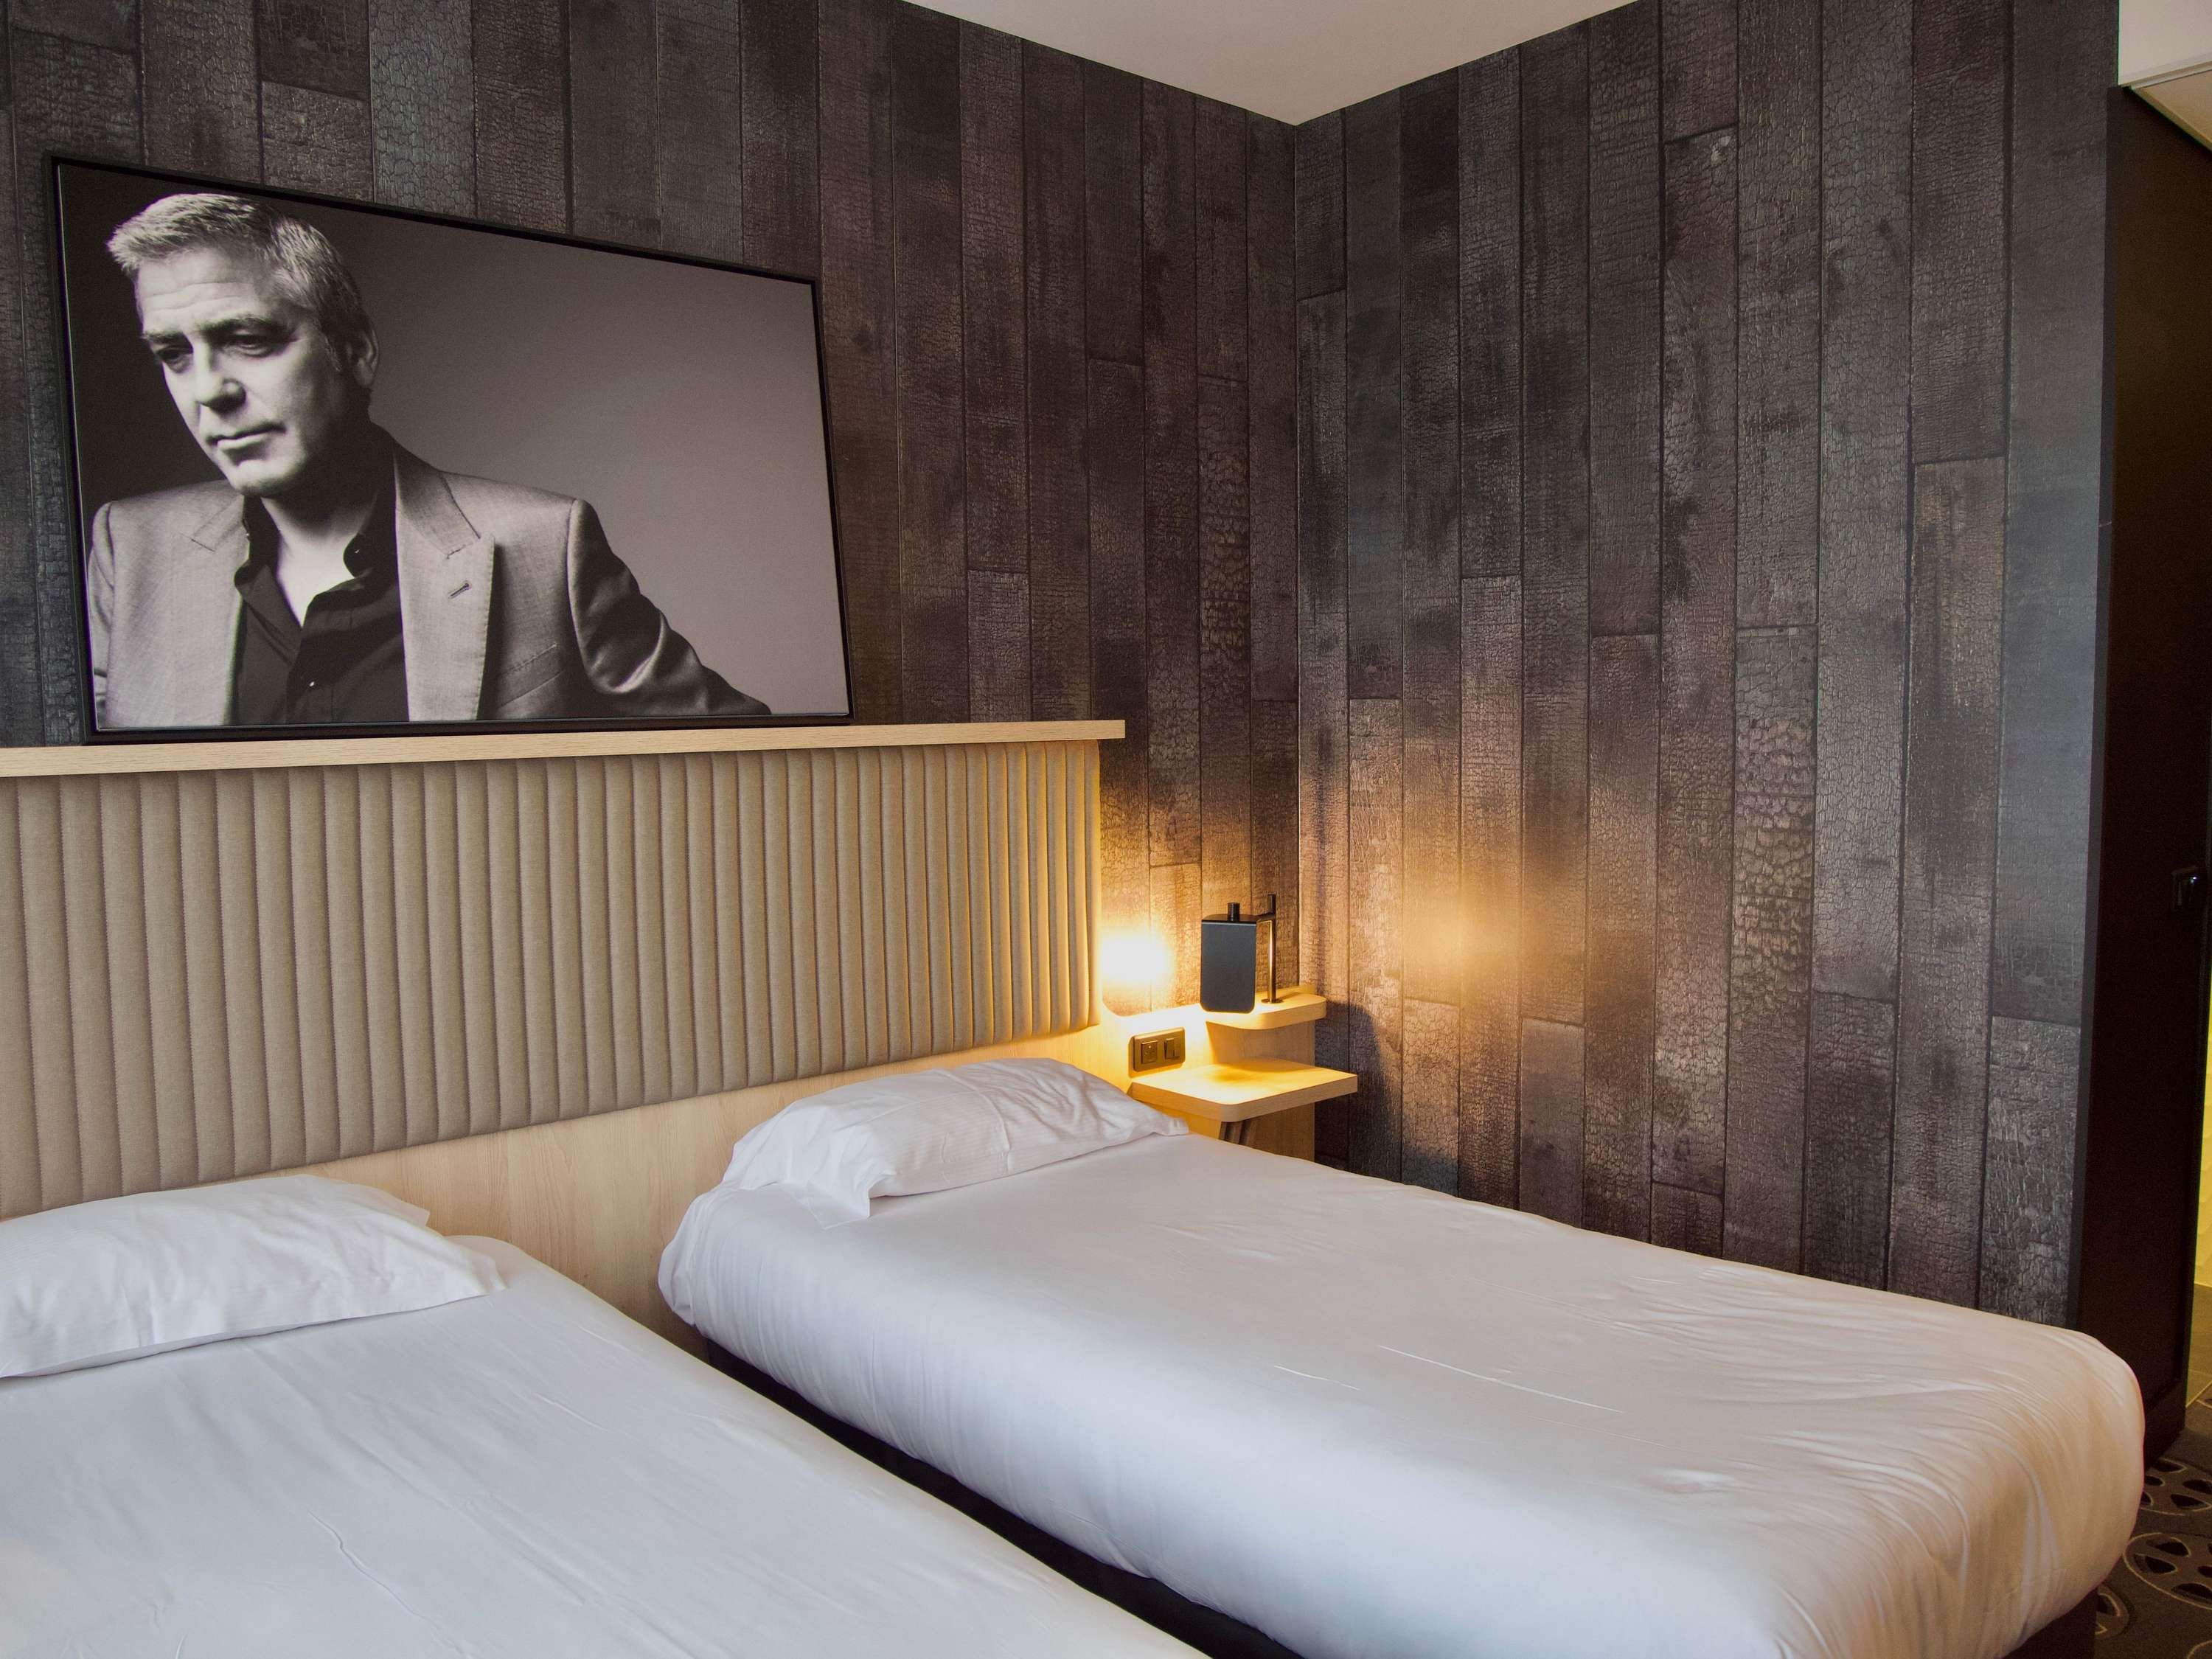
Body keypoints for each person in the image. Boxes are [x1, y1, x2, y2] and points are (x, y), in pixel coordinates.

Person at [84, 191, 768, 730]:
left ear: (356, 353)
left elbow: (747, 757)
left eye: (248, 339)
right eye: (173, 355)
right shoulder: (130, 548)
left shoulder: (545, 544)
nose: (208, 390)